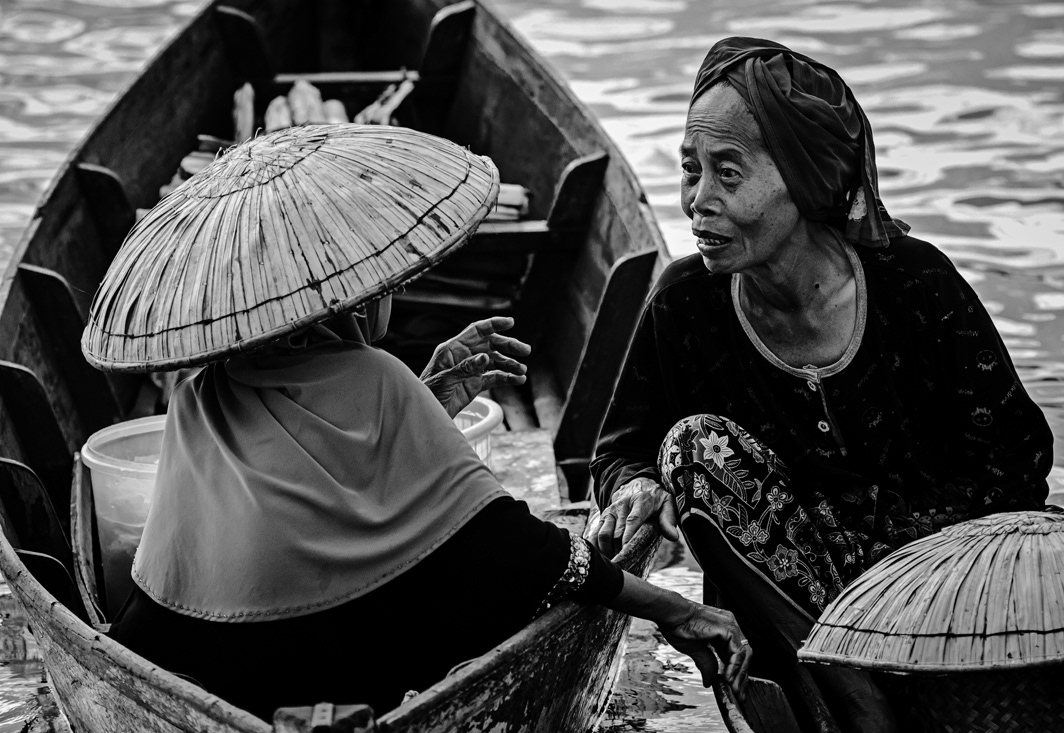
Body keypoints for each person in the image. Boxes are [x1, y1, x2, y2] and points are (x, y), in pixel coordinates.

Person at [100, 127, 753, 722]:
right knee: (508, 574)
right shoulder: (375, 376)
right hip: (341, 666)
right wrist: (678, 607)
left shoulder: (197, 390)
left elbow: (312, 497)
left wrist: (427, 394)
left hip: (208, 666)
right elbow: (520, 553)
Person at [588, 37, 1053, 732]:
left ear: (805, 180)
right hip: (789, 624)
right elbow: (618, 450)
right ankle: (845, 704)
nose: (697, 202)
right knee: (692, 449)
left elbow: (1016, 460)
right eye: (691, 171)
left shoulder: (915, 284)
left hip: (928, 601)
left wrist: (890, 566)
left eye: (728, 173)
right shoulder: (685, 303)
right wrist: (635, 484)